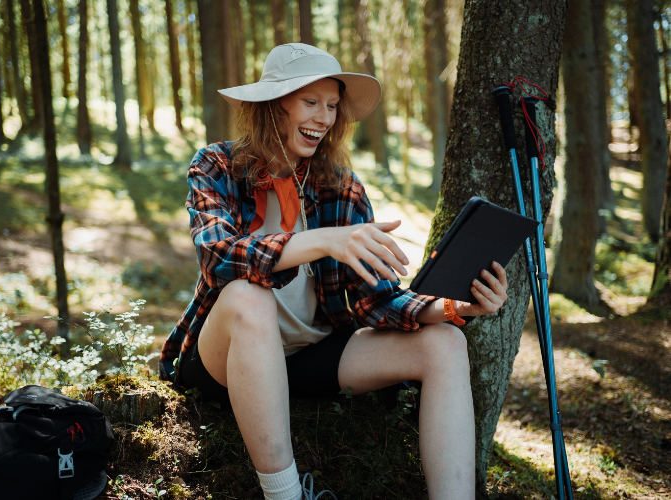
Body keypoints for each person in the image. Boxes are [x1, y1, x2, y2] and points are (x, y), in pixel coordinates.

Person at [159, 43, 509, 500]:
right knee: (249, 295)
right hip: (222, 359)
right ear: (274, 104)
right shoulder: (216, 165)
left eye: (331, 106)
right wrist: (324, 241)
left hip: (310, 356)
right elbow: (219, 257)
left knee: (446, 342)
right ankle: (285, 495)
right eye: (310, 102)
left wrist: (454, 306)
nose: (323, 118)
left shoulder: (340, 186)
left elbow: (376, 299)